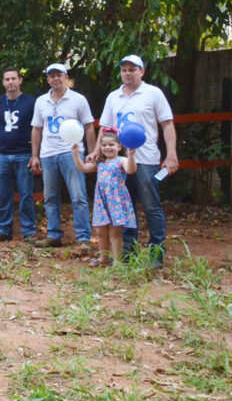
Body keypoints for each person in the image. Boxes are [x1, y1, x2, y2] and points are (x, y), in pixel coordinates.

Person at [92, 55, 177, 263]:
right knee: (124, 206)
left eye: (132, 69)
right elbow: (105, 127)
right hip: (119, 162)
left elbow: (167, 124)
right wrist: (97, 151)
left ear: (142, 71)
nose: (127, 73)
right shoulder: (114, 97)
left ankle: (156, 253)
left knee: (151, 206)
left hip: (146, 159)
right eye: (124, 70)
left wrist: (172, 153)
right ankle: (127, 252)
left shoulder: (153, 93)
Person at [30, 63, 96, 248]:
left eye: (59, 75)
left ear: (66, 77)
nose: (55, 79)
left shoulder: (78, 100)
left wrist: (92, 153)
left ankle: (83, 238)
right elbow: (36, 129)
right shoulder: (41, 101)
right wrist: (35, 155)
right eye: (52, 76)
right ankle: (53, 235)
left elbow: (89, 127)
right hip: (48, 153)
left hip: (71, 152)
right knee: (50, 197)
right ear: (48, 79)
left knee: (78, 196)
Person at [0, 68, 37, 242]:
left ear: (20, 80)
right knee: (4, 195)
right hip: (1, 155)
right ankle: (4, 230)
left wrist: (35, 154)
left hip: (24, 154)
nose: (10, 82)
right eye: (7, 79)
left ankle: (28, 230)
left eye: (13, 78)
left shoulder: (31, 103)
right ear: (3, 82)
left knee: (26, 194)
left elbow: (36, 129)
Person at [73, 131, 137, 267]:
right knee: (100, 231)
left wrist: (131, 156)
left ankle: (117, 261)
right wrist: (75, 154)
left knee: (115, 232)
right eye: (104, 145)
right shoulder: (100, 162)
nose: (107, 147)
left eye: (111, 145)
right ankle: (103, 258)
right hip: (101, 201)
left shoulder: (122, 160)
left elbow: (131, 170)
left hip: (116, 201)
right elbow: (83, 168)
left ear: (119, 147)